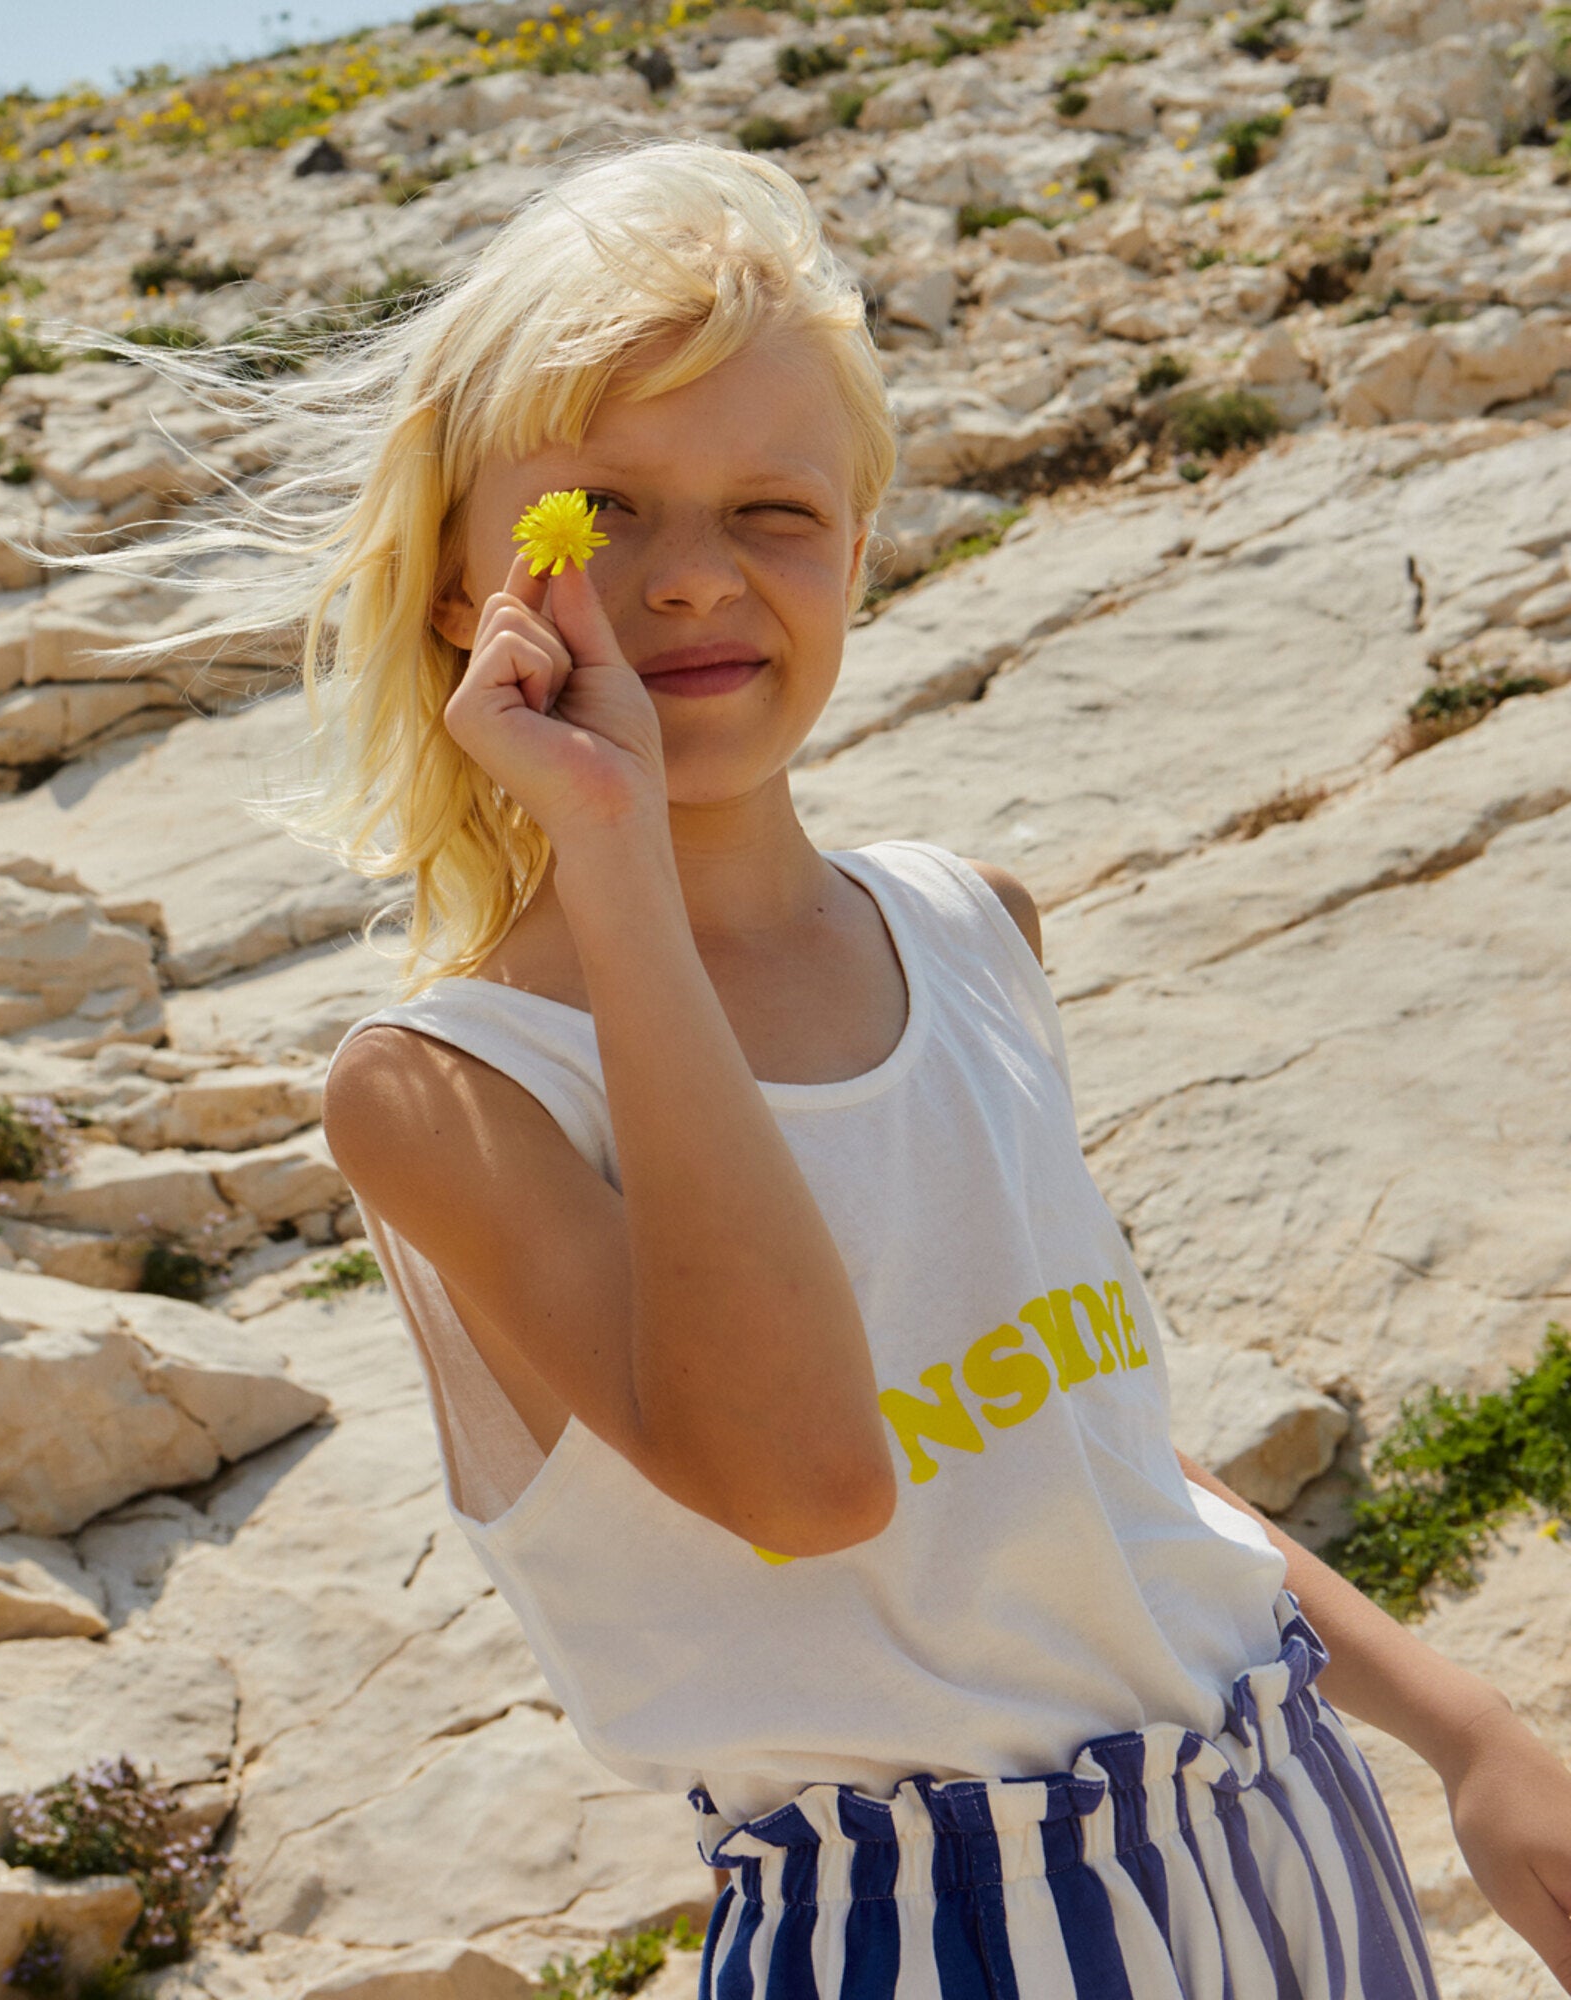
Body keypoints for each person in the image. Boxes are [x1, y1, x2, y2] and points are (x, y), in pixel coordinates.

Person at [172, 140, 1571, 1997]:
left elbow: (1092, 1458)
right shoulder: (448, 1091)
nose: (690, 584)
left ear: (860, 546)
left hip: (1285, 1823)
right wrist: (610, 854)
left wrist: (1465, 1727)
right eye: (597, 518)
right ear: (456, 589)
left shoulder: (969, 928)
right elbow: (810, 1480)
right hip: (938, 1928)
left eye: (774, 513)